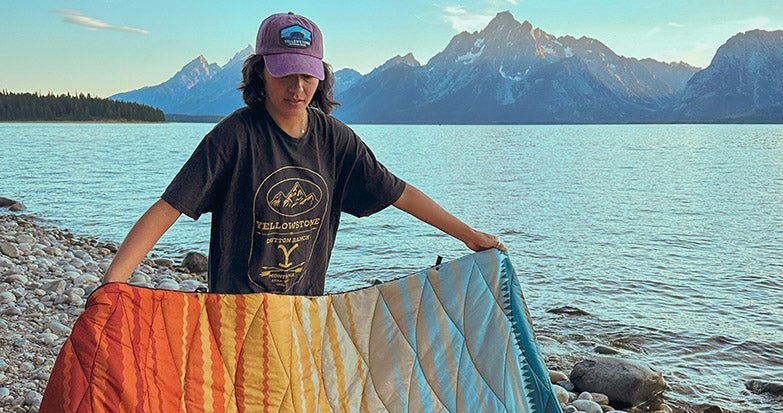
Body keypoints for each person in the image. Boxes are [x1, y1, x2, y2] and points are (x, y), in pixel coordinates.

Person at [102, 11, 505, 293]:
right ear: (260, 71)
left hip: (304, 311)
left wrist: (468, 236)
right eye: (284, 74)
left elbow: (399, 193)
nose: (297, 88)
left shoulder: (334, 139)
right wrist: (114, 280)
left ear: (321, 75)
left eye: (306, 75)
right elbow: (170, 206)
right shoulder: (234, 137)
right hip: (236, 310)